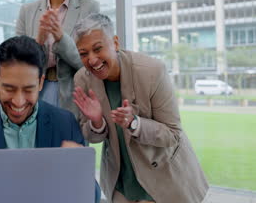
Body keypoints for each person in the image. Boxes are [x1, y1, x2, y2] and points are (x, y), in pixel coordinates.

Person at [0, 36, 99, 203]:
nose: (18, 101)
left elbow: (93, 196)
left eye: (28, 89)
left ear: (41, 83)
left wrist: (79, 174)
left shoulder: (65, 124)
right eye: (9, 88)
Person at [72, 14, 209, 203]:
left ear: (115, 43)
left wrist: (135, 123)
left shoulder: (152, 71)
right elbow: (92, 136)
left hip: (163, 179)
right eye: (84, 53)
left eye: (97, 49)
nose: (92, 60)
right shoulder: (82, 79)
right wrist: (96, 122)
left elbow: (172, 133)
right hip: (121, 182)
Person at [16, 0, 99, 115]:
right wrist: (38, 40)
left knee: (69, 142)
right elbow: (19, 63)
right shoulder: (27, 11)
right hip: (35, 95)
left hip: (72, 97)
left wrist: (61, 37)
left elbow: (90, 63)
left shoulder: (89, 8)